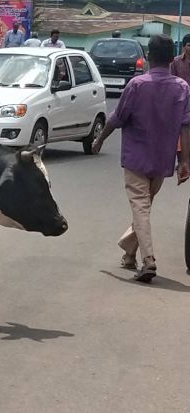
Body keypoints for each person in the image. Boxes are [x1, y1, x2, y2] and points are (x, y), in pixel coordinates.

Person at [91, 34, 190, 283]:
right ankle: (128, 251)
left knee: (141, 208)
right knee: (143, 208)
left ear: (148, 56)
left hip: (136, 158)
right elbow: (186, 127)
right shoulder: (182, 88)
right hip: (162, 160)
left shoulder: (137, 85)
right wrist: (184, 161)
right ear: (171, 58)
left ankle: (148, 261)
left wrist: (100, 139)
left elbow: (117, 117)